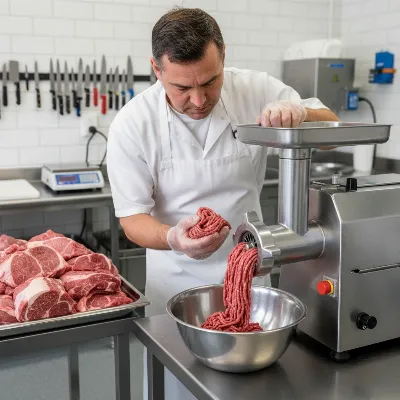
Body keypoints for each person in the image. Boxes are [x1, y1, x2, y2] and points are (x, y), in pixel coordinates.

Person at [107, 7, 339, 400]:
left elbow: (332, 129)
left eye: (210, 82)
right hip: (176, 293)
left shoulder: (255, 88)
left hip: (252, 281)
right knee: (178, 389)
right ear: (156, 69)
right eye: (182, 88)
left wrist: (301, 114)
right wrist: (175, 238)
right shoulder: (132, 125)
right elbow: (132, 219)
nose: (198, 99)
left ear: (224, 56)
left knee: (253, 391)